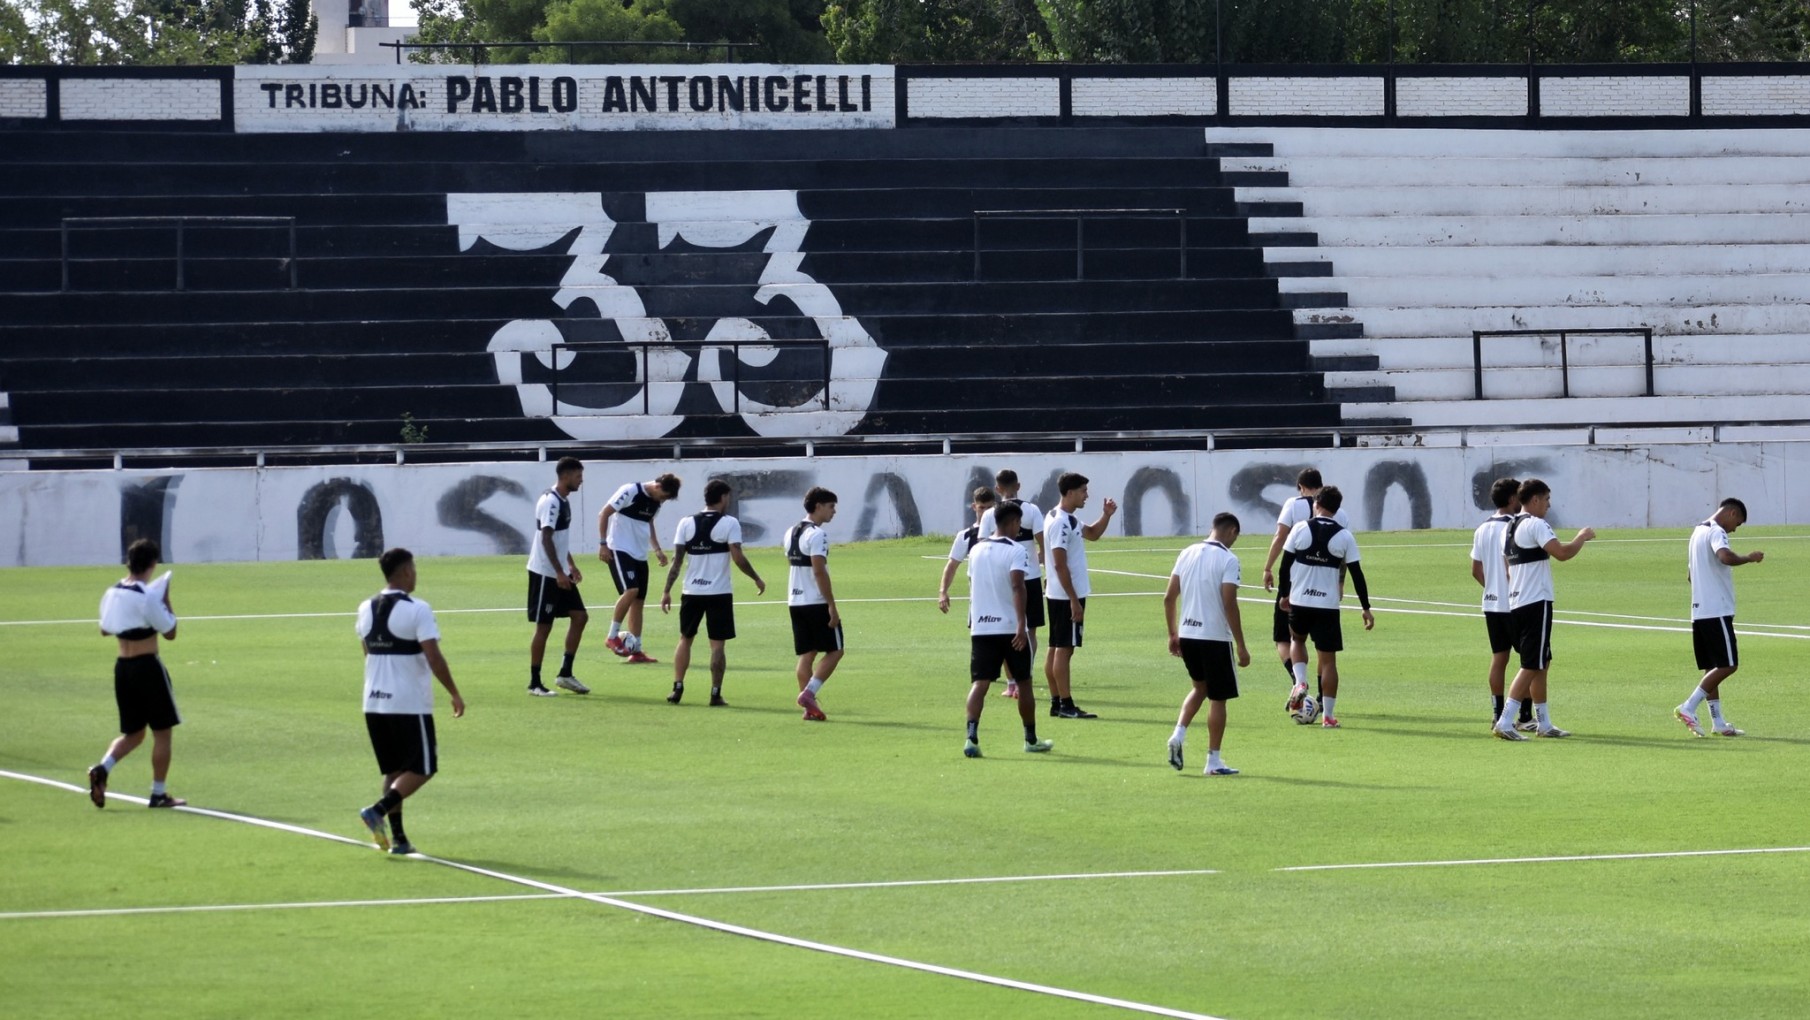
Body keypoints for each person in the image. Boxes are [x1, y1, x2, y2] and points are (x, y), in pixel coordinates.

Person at [356, 548, 465, 855]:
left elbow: (367, 651)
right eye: (413, 569)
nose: (415, 574)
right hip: (407, 702)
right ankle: (378, 810)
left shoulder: (365, 607)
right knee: (423, 767)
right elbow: (434, 657)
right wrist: (454, 692)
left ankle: (399, 840)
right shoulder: (418, 609)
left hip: (373, 702)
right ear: (405, 572)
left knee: (393, 771)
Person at [1493, 478, 1595, 741]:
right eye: (1547, 499)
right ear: (1535, 499)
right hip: (1535, 601)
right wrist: (1582, 537)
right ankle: (1505, 721)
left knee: (1541, 662)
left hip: (1517, 601)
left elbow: (1507, 567)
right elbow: (1562, 553)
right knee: (1530, 664)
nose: (1549, 505)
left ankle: (1544, 723)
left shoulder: (1509, 527)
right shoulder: (1536, 524)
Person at [87, 538, 184, 809]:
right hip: (147, 666)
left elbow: (105, 629)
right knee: (162, 733)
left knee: (134, 733)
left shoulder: (112, 592)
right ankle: (158, 793)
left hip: (123, 667)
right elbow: (170, 632)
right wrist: (165, 600)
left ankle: (103, 768)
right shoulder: (147, 596)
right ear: (152, 564)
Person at [955, 502, 1053, 758]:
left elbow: (973, 583)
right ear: (1013, 523)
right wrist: (1021, 625)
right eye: (1019, 524)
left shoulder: (976, 550)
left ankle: (971, 737)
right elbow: (1018, 587)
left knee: (980, 683)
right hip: (1010, 628)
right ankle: (1030, 738)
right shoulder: (1016, 550)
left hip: (981, 628)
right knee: (1024, 683)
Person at [659, 479, 766, 707]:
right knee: (717, 646)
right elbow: (737, 557)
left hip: (691, 591)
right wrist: (756, 578)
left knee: (685, 639)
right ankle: (715, 694)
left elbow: (677, 562)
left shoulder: (686, 523)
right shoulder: (729, 523)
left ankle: (677, 687)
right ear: (724, 497)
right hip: (719, 593)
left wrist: (666, 590)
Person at [1276, 486, 1375, 728]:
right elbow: (1357, 574)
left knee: (1297, 640)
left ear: (1316, 504)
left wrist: (1285, 594)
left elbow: (1284, 566)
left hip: (1300, 600)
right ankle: (1328, 716)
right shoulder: (1344, 536)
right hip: (1327, 606)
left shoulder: (1300, 528)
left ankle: (1300, 681)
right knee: (1328, 661)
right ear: (1337, 509)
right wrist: (1365, 607)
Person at [1164, 513, 1251, 775]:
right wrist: (1241, 645)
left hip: (1188, 633)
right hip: (1214, 637)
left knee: (1199, 688)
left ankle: (1178, 734)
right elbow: (1229, 602)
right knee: (1218, 698)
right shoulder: (1228, 559)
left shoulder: (1186, 552)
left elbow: (1169, 597)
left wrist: (1173, 634)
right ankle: (1213, 760)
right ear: (1232, 531)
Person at [1675, 497, 1763, 738]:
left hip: (1699, 611)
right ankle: (1688, 707)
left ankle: (1718, 722)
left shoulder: (1696, 533)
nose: (1735, 529)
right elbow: (1724, 556)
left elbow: (1690, 576)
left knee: (1712, 667)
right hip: (1717, 610)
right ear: (1732, 513)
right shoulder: (1716, 532)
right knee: (1728, 664)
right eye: (1738, 523)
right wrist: (1749, 558)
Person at [1262, 468, 1351, 704]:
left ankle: (1298, 681)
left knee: (1284, 638)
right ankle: (1322, 699)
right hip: (1326, 586)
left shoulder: (1293, 504)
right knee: (1324, 648)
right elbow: (1344, 552)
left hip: (1296, 584)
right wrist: (1340, 582)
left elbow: (1280, 536)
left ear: (1301, 487)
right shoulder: (1339, 512)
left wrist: (1268, 567)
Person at [1042, 472, 1117, 719]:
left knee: (1056, 647)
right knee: (1064, 649)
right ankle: (1065, 704)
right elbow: (1059, 563)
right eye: (1083, 490)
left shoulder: (1065, 518)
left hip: (1059, 593)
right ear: (1070, 492)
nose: (1087, 495)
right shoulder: (1061, 523)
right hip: (1066, 596)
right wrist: (1074, 599)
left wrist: (1106, 515)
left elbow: (1093, 533)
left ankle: (1057, 702)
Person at [1470, 477, 1534, 730]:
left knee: (1499, 658)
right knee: (1529, 661)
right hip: (1515, 604)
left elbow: (1475, 570)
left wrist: (1492, 589)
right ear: (1512, 499)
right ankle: (1525, 716)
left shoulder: (1482, 528)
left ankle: (1497, 714)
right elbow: (1511, 568)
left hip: (1491, 604)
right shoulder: (1515, 526)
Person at [977, 469, 1046, 700]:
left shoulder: (990, 514)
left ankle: (1011, 682)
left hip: (1003, 578)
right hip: (1030, 576)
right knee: (1030, 630)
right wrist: (1042, 563)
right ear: (1018, 485)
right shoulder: (1032, 509)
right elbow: (1043, 544)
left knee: (1006, 629)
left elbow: (983, 547)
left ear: (997, 489)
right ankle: (1025, 675)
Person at [598, 472, 681, 664]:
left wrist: (657, 549)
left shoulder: (656, 501)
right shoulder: (630, 491)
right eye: (663, 496)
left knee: (638, 602)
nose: (663, 501)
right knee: (631, 590)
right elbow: (604, 513)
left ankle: (636, 651)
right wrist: (603, 543)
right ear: (658, 486)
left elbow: (649, 522)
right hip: (620, 549)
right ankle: (612, 636)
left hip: (640, 554)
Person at [526, 456, 588, 697]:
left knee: (580, 617)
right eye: (578, 476)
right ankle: (534, 683)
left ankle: (565, 673)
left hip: (560, 571)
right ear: (566, 476)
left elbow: (559, 539)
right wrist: (559, 572)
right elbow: (546, 538)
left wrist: (570, 564)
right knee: (544, 626)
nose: (581, 481)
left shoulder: (563, 500)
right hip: (546, 573)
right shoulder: (551, 502)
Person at [785, 486, 843, 721]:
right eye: (831, 507)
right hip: (815, 601)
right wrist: (831, 605)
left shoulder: (790, 532)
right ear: (818, 506)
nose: (834, 512)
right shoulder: (817, 535)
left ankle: (809, 709)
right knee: (836, 651)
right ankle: (809, 694)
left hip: (795, 600)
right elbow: (819, 571)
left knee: (807, 654)